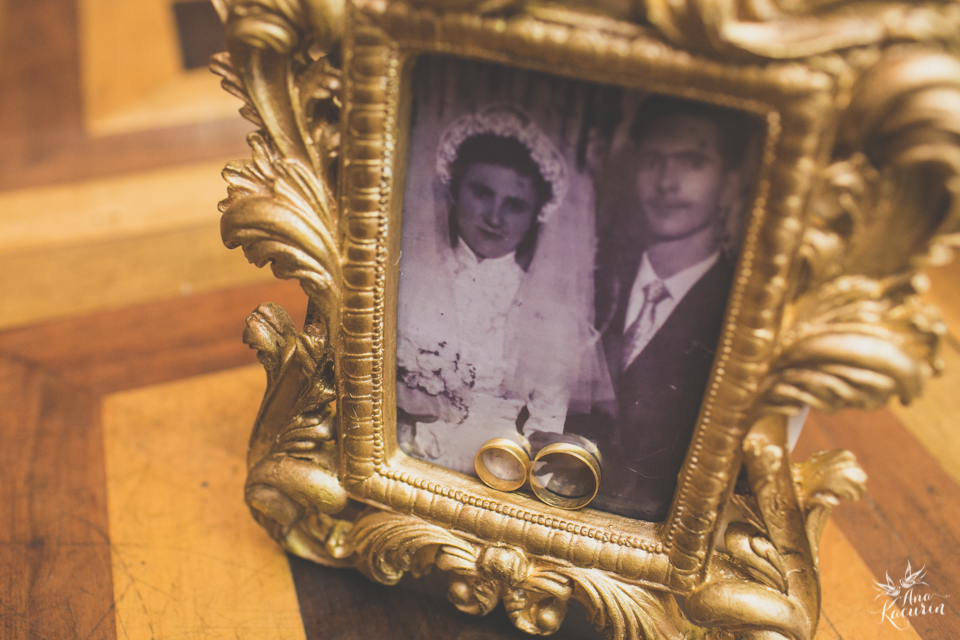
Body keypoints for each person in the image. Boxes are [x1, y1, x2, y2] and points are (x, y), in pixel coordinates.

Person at [396, 105, 606, 475]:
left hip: (495, 473)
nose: (494, 217)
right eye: (481, 192)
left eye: (514, 205)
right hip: (401, 458)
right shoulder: (408, 275)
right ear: (456, 190)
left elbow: (546, 431)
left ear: (535, 216)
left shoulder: (550, 314)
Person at [572, 95, 752, 520]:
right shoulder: (589, 277)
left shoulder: (740, 310)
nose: (667, 182)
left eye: (692, 162)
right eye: (653, 160)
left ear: (729, 182)